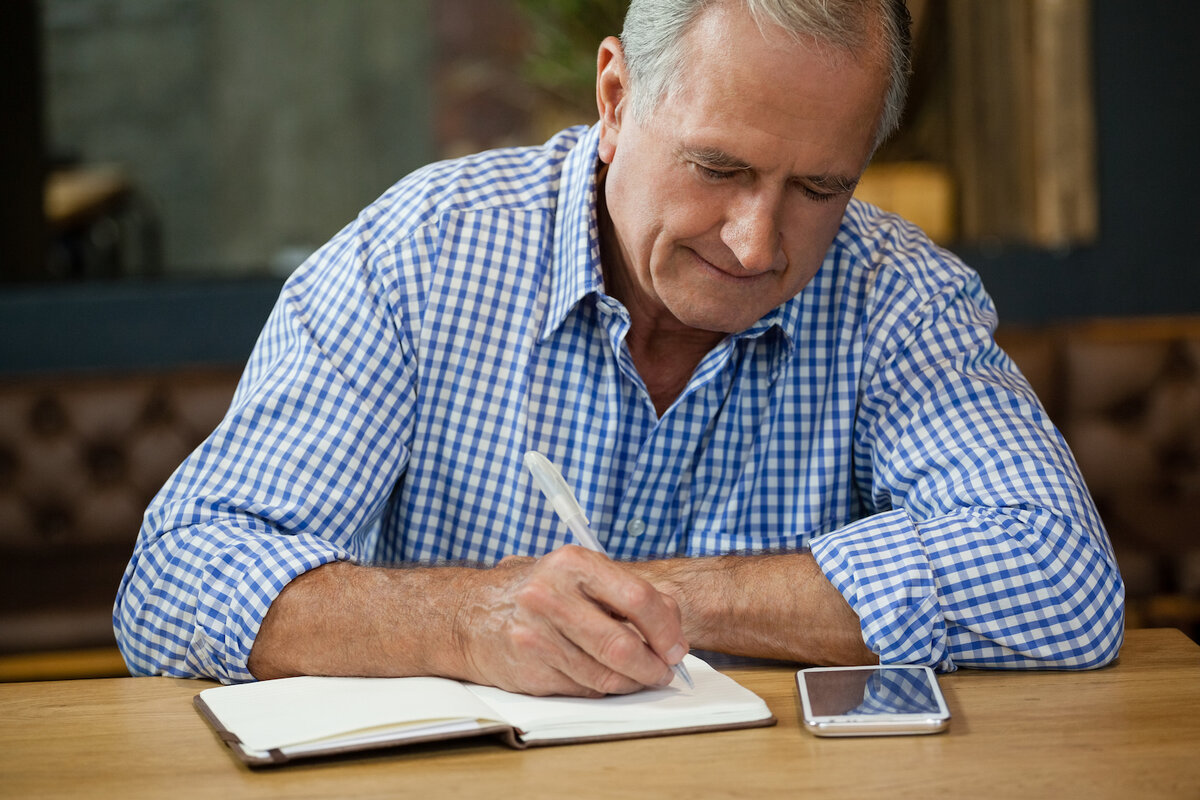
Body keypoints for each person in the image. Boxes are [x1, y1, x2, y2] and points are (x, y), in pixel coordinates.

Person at [114, 0, 1124, 694]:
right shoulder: (416, 256)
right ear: (614, 99)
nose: (757, 242)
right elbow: (177, 581)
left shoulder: (894, 291)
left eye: (820, 188)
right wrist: (471, 620)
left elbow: (1062, 578)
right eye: (718, 167)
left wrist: (653, 597)